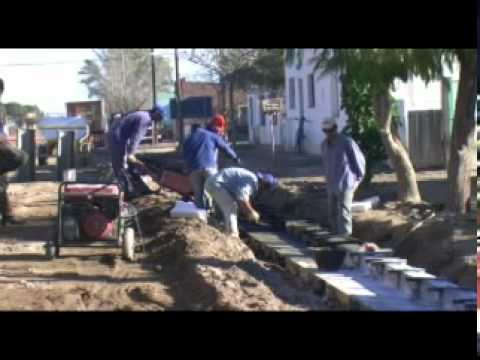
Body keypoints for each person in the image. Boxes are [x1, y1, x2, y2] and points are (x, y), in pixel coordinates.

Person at [183, 114, 240, 209]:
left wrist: (186, 168)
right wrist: (235, 158)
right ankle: (212, 214)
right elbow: (225, 148)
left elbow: (184, 153)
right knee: (213, 191)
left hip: (193, 169)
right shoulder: (212, 136)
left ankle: (201, 217)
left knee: (198, 193)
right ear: (215, 127)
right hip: (209, 167)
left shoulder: (190, 138)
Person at [320, 119, 365, 236]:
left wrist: (357, 180)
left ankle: (345, 239)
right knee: (332, 213)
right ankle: (334, 238)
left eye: (330, 130)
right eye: (325, 131)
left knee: (344, 213)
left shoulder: (346, 142)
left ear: (335, 128)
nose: (328, 133)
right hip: (331, 184)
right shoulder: (324, 145)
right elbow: (326, 164)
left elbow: (358, 161)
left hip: (346, 184)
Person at [205, 167, 279, 238]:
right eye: (267, 189)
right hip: (217, 184)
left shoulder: (252, 179)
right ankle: (232, 234)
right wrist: (251, 212)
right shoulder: (251, 181)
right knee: (231, 207)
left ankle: (225, 229)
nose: (265, 191)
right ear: (264, 184)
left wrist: (247, 211)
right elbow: (242, 200)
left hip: (217, 183)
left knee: (230, 206)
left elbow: (244, 198)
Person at [108, 106, 164, 196]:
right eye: (160, 117)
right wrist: (131, 153)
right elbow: (136, 137)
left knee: (121, 165)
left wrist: (130, 152)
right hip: (117, 136)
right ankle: (126, 192)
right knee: (121, 165)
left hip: (117, 134)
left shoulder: (142, 115)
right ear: (156, 114)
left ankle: (128, 189)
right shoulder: (145, 119)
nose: (158, 120)